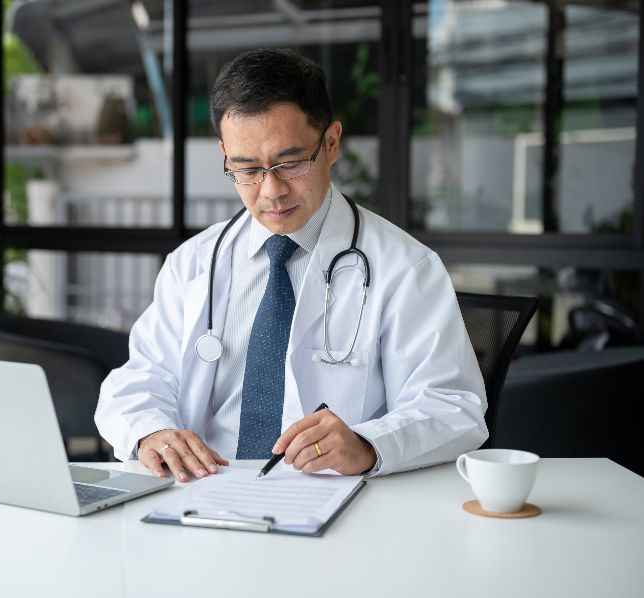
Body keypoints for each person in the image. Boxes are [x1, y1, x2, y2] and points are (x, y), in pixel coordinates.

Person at [95, 48, 487, 481]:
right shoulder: (192, 264)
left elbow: (453, 405)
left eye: (292, 163)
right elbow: (139, 380)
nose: (271, 191)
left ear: (332, 143)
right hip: (206, 492)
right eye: (246, 168)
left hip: (336, 498)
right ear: (225, 154)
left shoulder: (405, 268)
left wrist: (368, 444)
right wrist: (151, 432)